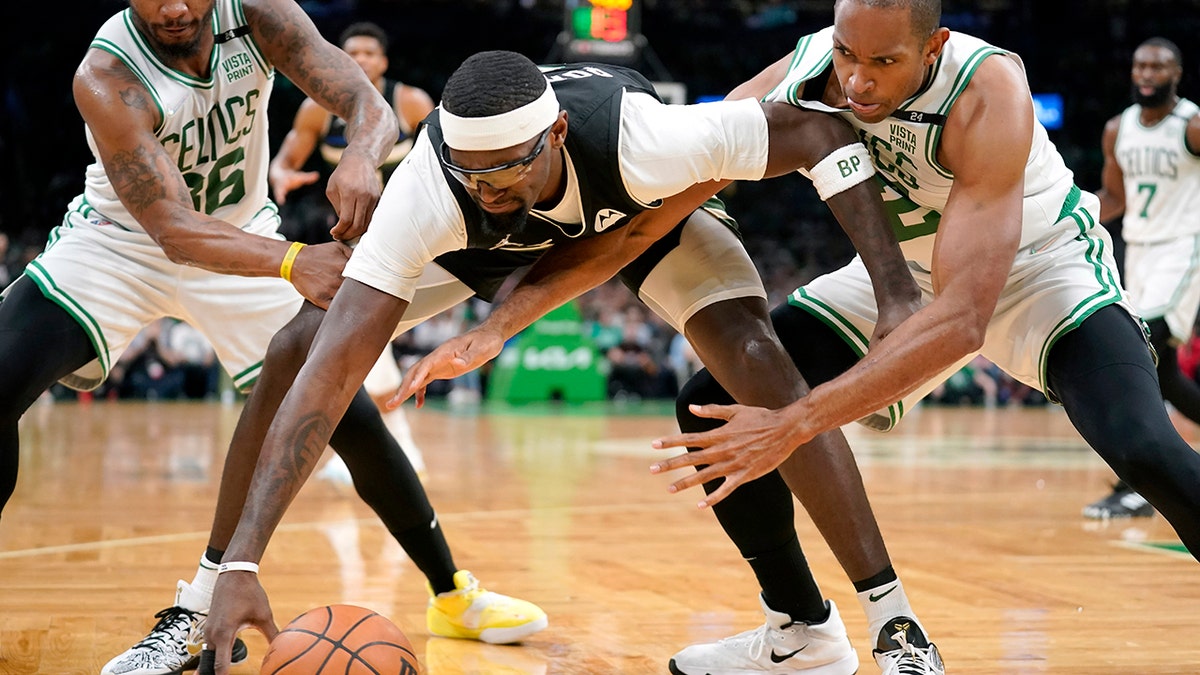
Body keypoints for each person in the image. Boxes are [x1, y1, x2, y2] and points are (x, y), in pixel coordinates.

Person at [198, 50, 927, 675]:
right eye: (473, 179)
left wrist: (895, 290)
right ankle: (205, 588)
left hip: (635, 217)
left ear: (556, 134)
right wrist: (245, 561)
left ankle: (889, 621)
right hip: (481, 252)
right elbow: (327, 378)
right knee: (297, 350)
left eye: (507, 177)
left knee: (753, 359)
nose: (490, 193)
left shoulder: (645, 138)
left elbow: (817, 130)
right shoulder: (432, 193)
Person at [638, 1, 1200, 672]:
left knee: (1143, 446)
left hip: (1040, 269)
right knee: (711, 402)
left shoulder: (989, 89)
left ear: (932, 46)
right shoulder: (817, 62)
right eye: (848, 54)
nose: (859, 83)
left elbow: (964, 318)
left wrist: (794, 423)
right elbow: (705, 143)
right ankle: (801, 632)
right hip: (907, 271)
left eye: (883, 62)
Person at [0, 3, 544, 675]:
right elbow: (171, 227)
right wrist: (292, 259)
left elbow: (367, 104)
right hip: (122, 245)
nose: (173, 8)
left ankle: (450, 595)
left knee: (345, 412)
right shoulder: (107, 74)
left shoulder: (257, 14)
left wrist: (362, 159)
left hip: (245, 234)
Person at [270, 20, 435, 478]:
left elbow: (449, 157)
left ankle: (389, 446)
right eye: (351, 53)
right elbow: (289, 154)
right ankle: (396, 445)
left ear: (383, 62)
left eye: (369, 53)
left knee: (357, 335)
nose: (360, 60)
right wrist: (280, 172)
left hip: (415, 234)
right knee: (359, 338)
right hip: (357, 240)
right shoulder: (317, 109)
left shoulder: (410, 101)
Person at [1083, 37, 1200, 519]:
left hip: (1184, 252)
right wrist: (1072, 214)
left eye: (1158, 66)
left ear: (1176, 73)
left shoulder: (1192, 125)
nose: (1147, 73)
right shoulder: (1118, 129)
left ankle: (1138, 485)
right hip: (1140, 254)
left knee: (1136, 353)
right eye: (1140, 66)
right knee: (1166, 376)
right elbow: (1115, 198)